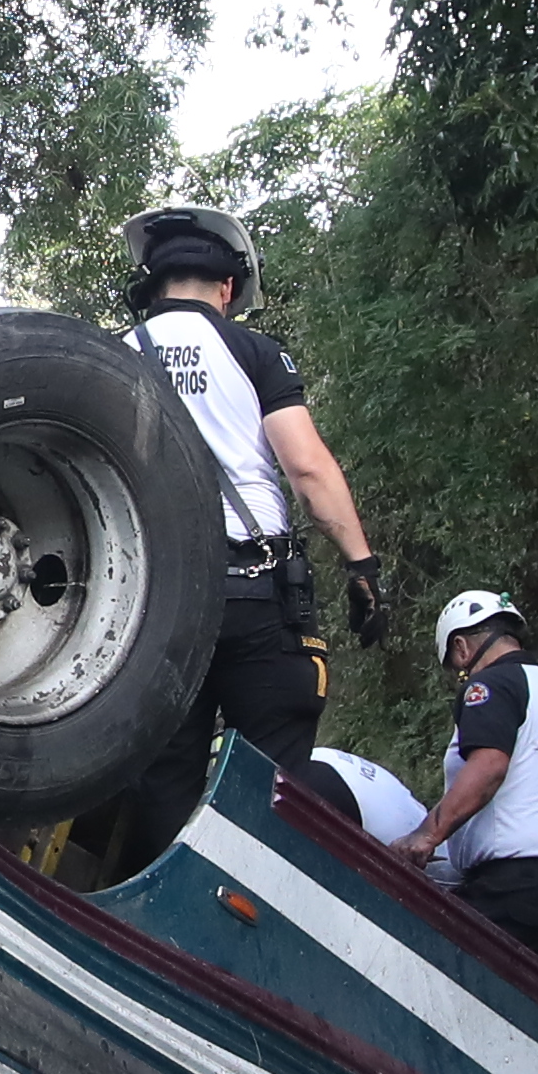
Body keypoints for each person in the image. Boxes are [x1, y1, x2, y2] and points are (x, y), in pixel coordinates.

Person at [107, 204, 384, 855]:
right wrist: (361, 566)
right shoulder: (253, 351)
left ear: (154, 283)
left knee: (165, 775)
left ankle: (167, 936)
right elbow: (308, 471)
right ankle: (250, 910)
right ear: (227, 289)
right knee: (272, 776)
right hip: (254, 593)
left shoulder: (112, 356)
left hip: (155, 598)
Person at [396, 592, 538, 968]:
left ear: (461, 648)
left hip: (516, 889)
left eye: (456, 669)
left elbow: (489, 766)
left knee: (427, 965)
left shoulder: (491, 686)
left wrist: (426, 835)